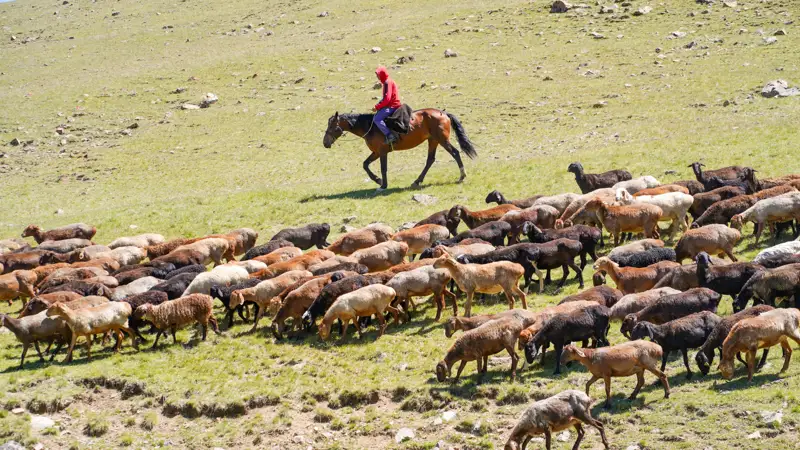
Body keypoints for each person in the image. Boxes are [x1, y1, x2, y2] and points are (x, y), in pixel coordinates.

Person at [372, 66, 402, 145]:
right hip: (392, 104)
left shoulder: (387, 82)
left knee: (377, 119)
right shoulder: (388, 81)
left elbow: (387, 99)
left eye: (378, 75)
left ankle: (390, 135)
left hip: (392, 106)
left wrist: (377, 107)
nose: (377, 77)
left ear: (382, 74)